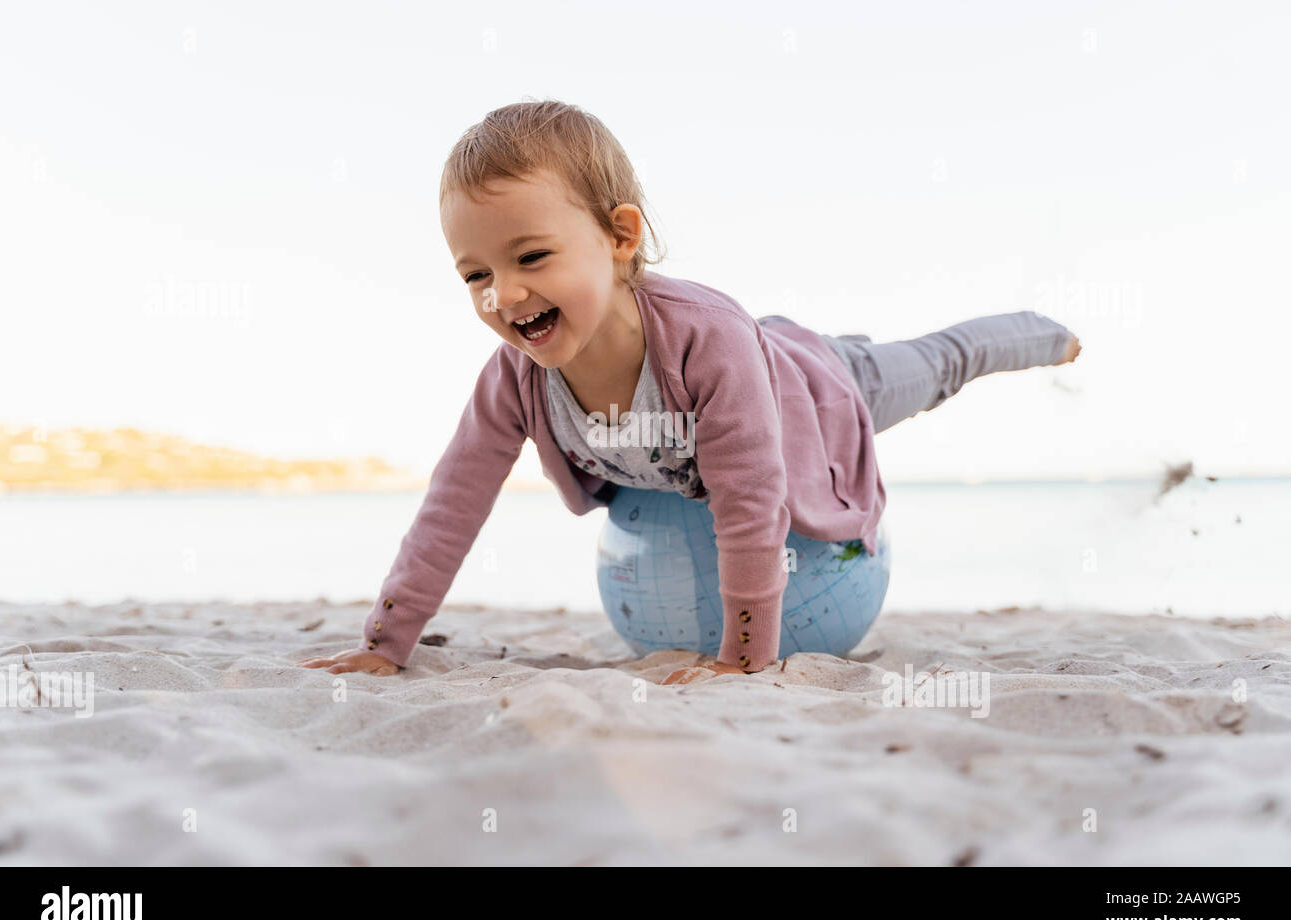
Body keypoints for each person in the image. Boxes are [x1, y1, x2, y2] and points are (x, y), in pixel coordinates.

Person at [299, 99, 1079, 683]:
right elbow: (454, 501)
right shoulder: (516, 376)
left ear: (620, 237)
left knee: (934, 367)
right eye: (475, 274)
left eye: (531, 256)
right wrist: (384, 645)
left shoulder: (706, 347)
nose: (502, 294)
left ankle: (1046, 332)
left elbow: (752, 500)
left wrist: (744, 658)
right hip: (746, 378)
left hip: (817, 391)